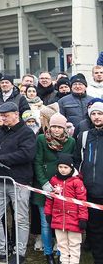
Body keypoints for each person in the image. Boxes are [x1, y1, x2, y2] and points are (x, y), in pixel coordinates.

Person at [0, 101, 37, 264]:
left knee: (20, 219)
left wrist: (2, 158)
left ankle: (19, 253)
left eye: (6, 116)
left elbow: (27, 154)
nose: (2, 119)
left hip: (19, 182)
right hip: (0, 180)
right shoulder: (0, 131)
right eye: (1, 116)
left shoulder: (27, 133)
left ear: (16, 114)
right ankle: (1, 250)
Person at [32, 111, 75, 262]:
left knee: (60, 220)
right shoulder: (42, 139)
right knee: (46, 221)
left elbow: (71, 163)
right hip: (43, 185)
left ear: (64, 128)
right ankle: (48, 252)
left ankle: (61, 250)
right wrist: (44, 182)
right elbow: (37, 161)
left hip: (63, 186)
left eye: (59, 127)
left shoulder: (70, 142)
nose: (56, 129)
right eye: (53, 126)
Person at [44, 153, 88, 264]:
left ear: (71, 168)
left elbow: (82, 202)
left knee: (74, 246)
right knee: (62, 245)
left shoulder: (77, 182)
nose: (63, 170)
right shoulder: (53, 181)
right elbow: (50, 199)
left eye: (65, 167)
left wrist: (83, 218)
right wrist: (48, 213)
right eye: (60, 167)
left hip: (74, 220)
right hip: (58, 218)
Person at [74, 101, 103, 263]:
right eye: (94, 114)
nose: (97, 117)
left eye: (100, 113)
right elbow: (77, 160)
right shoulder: (84, 136)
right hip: (90, 193)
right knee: (94, 229)